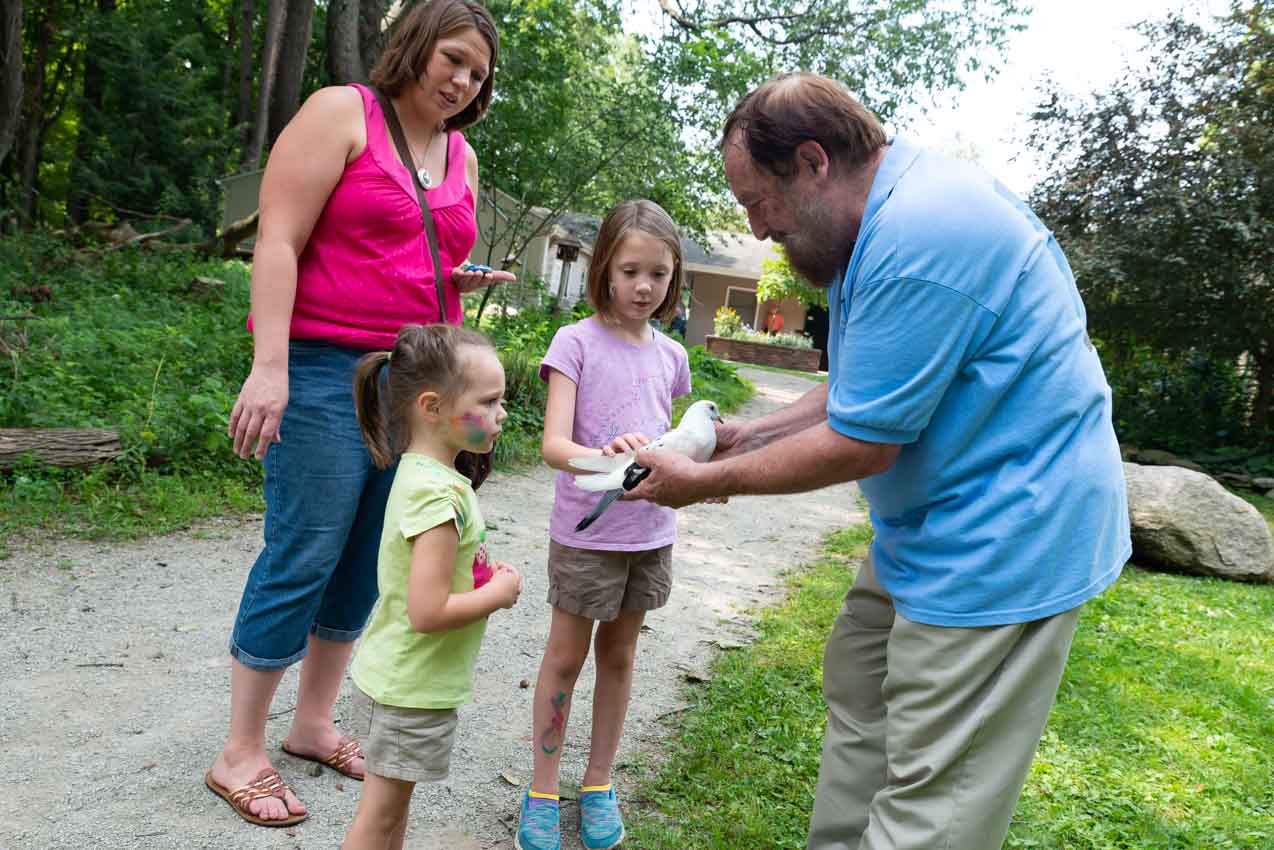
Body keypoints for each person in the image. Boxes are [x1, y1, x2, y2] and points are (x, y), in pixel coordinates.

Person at [628, 72, 1131, 850]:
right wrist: (745, 437)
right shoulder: (882, 224)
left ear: (813, 162)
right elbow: (863, 392)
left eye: (758, 201)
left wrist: (705, 482)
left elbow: (867, 441)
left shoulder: (921, 234)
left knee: (940, 794)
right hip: (936, 523)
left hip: (1007, 535)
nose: (758, 231)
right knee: (862, 680)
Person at [206, 0, 515, 827]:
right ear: (415, 45)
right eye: (453, 59)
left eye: (478, 74)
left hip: (411, 380)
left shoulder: (463, 155)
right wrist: (268, 367)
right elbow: (278, 239)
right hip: (319, 369)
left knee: (370, 556)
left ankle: (311, 724)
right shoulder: (342, 112)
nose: (462, 81)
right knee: (304, 548)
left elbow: (429, 252)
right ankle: (240, 749)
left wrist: (460, 282)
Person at [515, 200, 691, 850]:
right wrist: (604, 454)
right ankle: (541, 787)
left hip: (649, 536)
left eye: (659, 274)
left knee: (620, 656)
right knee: (565, 658)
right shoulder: (575, 342)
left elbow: (672, 440)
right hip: (587, 536)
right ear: (604, 271)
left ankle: (598, 782)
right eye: (630, 271)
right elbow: (554, 445)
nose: (644, 287)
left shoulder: (673, 357)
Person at [340, 323, 522, 850]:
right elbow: (427, 610)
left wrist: (482, 575)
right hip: (409, 692)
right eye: (489, 402)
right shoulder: (437, 499)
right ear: (432, 407)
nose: (501, 413)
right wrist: (498, 594)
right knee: (378, 820)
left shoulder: (423, 475)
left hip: (401, 681)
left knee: (392, 815)